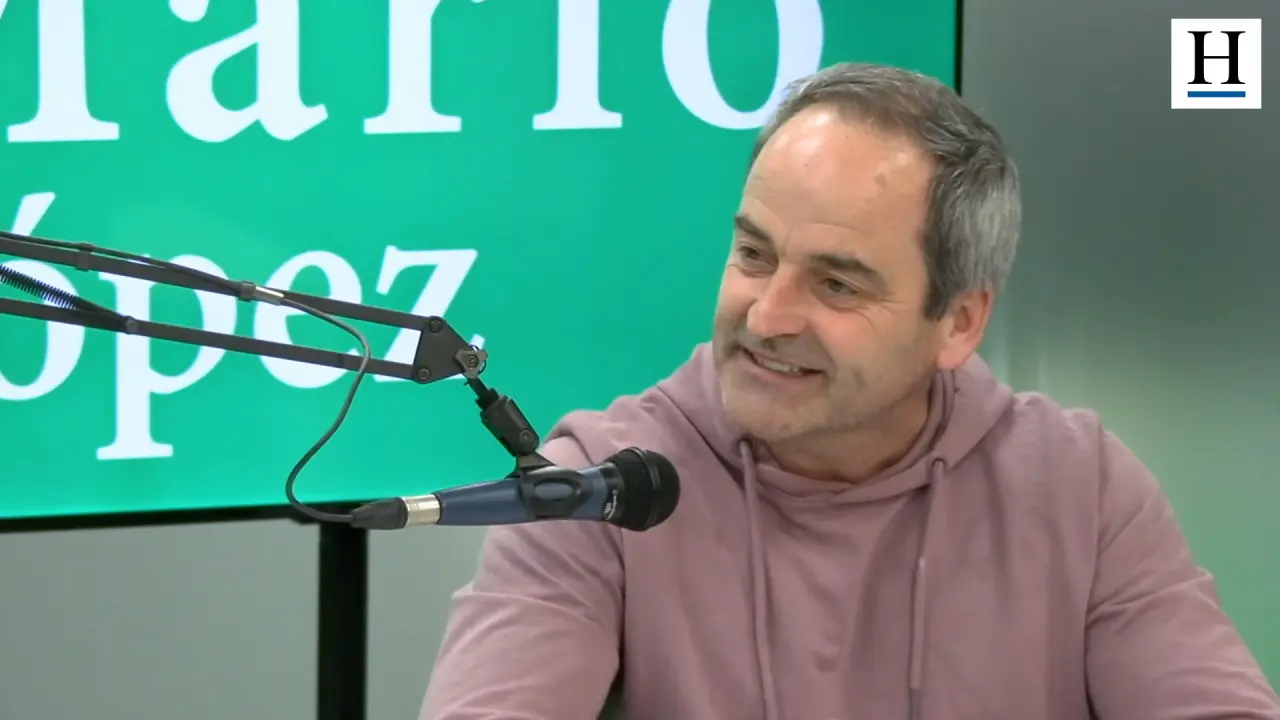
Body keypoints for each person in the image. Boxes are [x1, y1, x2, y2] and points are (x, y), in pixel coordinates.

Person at [418, 63, 1280, 719]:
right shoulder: (599, 488)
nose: (768, 316)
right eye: (754, 254)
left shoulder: (1079, 487)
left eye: (837, 285)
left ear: (959, 322)